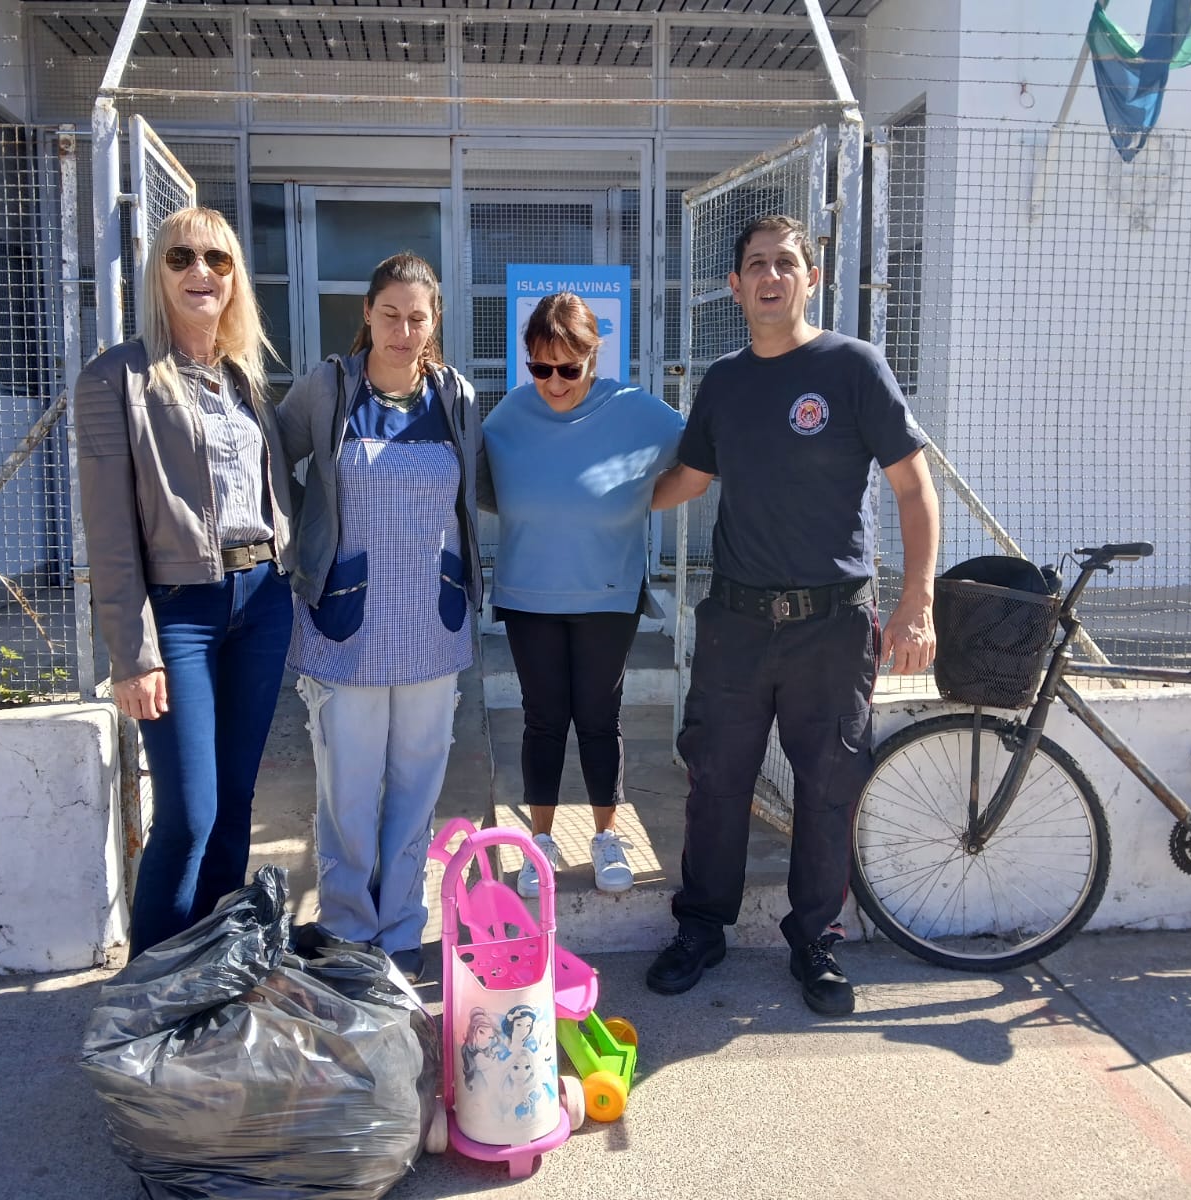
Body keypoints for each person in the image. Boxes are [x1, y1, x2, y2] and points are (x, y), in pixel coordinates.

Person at [646, 214, 939, 1016]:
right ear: (735, 286)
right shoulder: (724, 382)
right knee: (716, 781)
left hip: (832, 626)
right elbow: (688, 481)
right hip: (736, 623)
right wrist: (599, 503)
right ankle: (701, 928)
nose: (770, 276)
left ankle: (816, 940)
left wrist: (917, 602)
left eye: (785, 263)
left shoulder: (853, 367)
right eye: (756, 265)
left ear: (812, 278)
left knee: (828, 787)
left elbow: (914, 488)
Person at [74, 207, 296, 959]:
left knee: (234, 806)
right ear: (158, 273)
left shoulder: (244, 380)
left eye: (217, 259)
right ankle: (151, 991)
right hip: (180, 612)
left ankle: (211, 970)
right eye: (181, 258)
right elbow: (109, 533)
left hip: (261, 600)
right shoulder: (116, 378)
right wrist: (131, 654)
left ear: (235, 277)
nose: (201, 271)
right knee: (189, 815)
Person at [277, 252, 484, 984]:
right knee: (348, 792)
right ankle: (345, 929)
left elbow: (476, 488)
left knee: (417, 787)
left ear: (434, 322)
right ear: (367, 313)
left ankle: (399, 928)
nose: (402, 330)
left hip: (432, 623)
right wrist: (302, 540)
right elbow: (272, 461)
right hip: (347, 623)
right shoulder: (329, 388)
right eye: (389, 314)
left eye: (417, 318)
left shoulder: (455, 396)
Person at [481, 292, 683, 899]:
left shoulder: (635, 409)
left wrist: (637, 500)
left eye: (568, 368)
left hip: (607, 591)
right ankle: (540, 841)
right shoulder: (508, 415)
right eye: (540, 368)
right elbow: (485, 486)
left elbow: (701, 460)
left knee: (598, 717)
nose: (553, 382)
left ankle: (606, 836)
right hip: (529, 592)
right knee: (542, 719)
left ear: (594, 356)